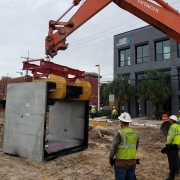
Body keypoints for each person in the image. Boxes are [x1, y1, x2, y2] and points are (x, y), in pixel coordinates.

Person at [109, 112, 139, 180]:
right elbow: (135, 147)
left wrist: (111, 159)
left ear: (121, 121)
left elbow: (113, 148)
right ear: (129, 122)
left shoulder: (119, 133)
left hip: (121, 164)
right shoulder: (136, 133)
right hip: (132, 163)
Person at [161, 115, 180, 180]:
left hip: (171, 146)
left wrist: (167, 145)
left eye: (169, 119)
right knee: (175, 160)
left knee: (171, 162)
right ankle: (176, 172)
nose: (168, 120)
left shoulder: (172, 127)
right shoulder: (177, 126)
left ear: (172, 120)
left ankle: (171, 177)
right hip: (176, 145)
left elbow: (171, 137)